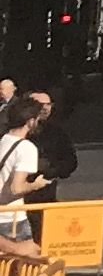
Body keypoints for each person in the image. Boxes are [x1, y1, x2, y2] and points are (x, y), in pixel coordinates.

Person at [0, 94, 46, 244]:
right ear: (30, 121)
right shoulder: (26, 148)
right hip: (12, 220)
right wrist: (36, 185)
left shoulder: (4, 139)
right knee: (28, 262)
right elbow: (16, 188)